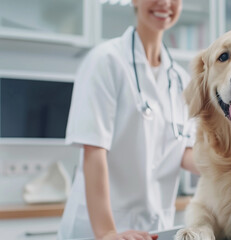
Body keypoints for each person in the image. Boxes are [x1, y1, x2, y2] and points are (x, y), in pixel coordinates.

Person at [57, 0, 198, 239]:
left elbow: (185, 152)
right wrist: (107, 233)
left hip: (155, 224)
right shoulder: (106, 61)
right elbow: (94, 150)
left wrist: (229, 165)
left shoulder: (181, 80)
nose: (165, 3)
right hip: (101, 225)